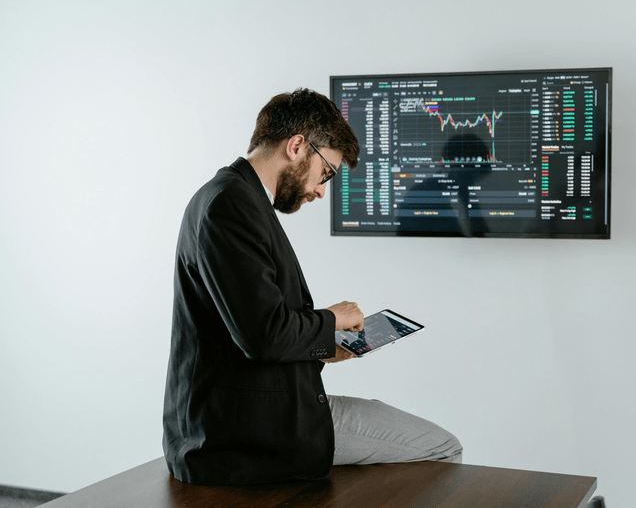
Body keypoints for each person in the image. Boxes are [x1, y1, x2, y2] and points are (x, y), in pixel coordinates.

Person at [162, 88, 462, 485]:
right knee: (444, 447)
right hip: (240, 432)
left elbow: (252, 327)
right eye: (327, 174)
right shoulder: (229, 206)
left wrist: (326, 348)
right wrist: (332, 319)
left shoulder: (236, 198)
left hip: (251, 411)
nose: (322, 190)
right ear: (298, 146)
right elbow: (264, 335)